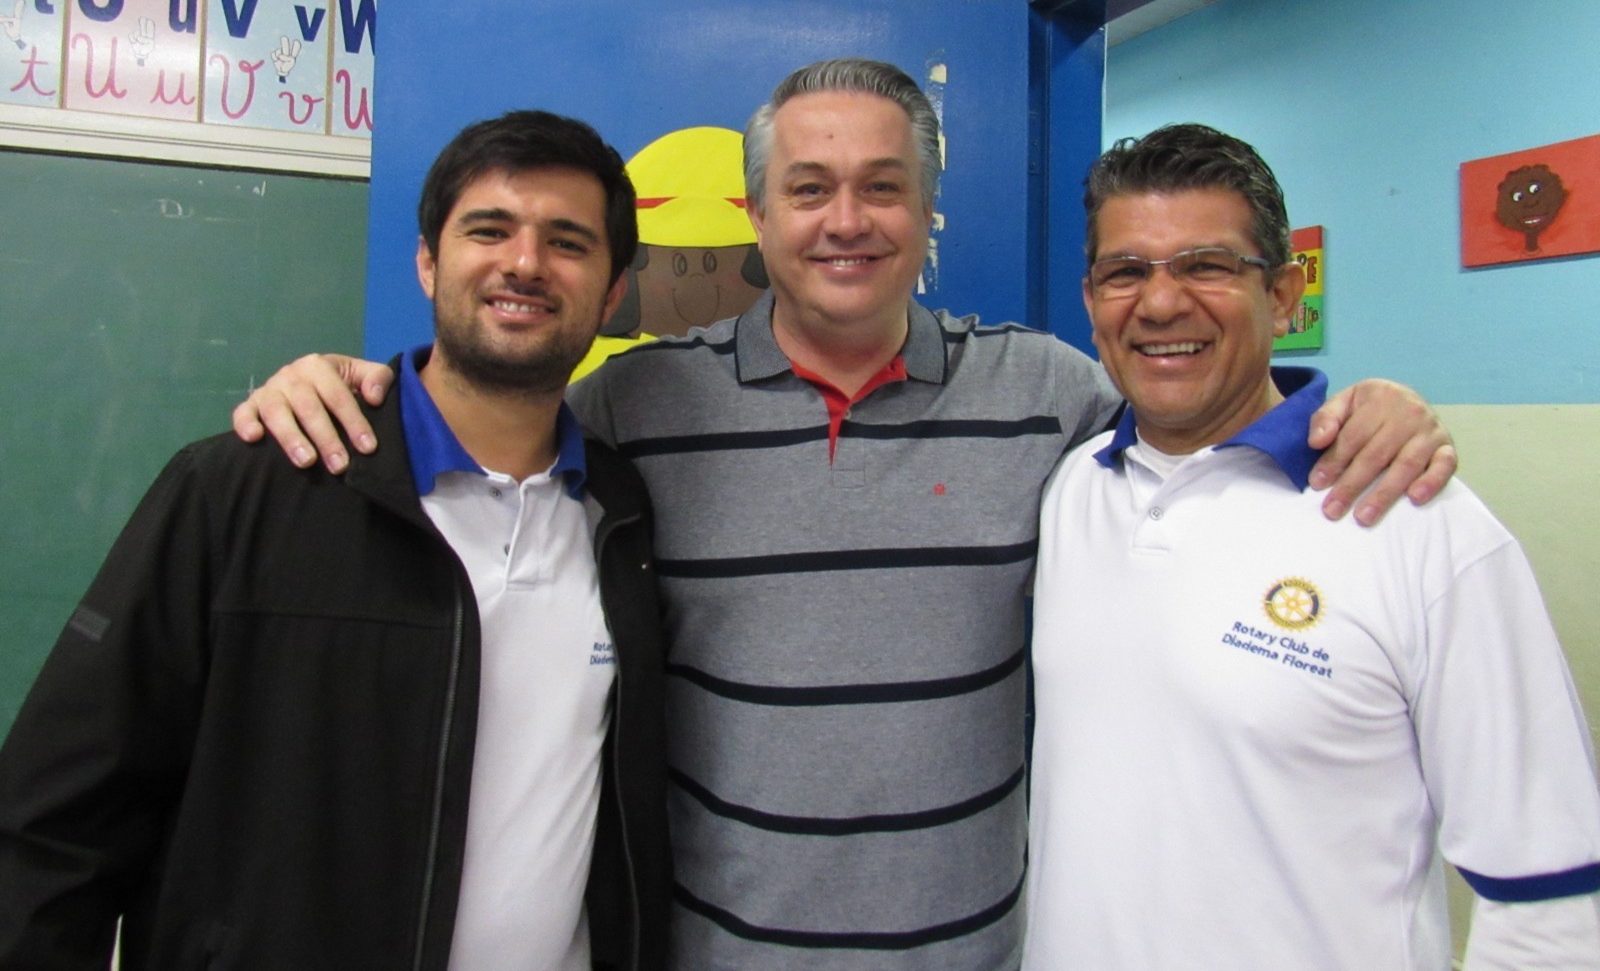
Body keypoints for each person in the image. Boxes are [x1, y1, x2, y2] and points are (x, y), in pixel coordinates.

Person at [232, 61, 1457, 971]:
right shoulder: (634, 406)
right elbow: (486, 420)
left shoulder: (1050, 395)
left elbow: (1201, 432)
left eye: (884, 187)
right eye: (808, 188)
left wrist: (1355, 406)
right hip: (715, 953)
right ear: (757, 216)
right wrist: (343, 387)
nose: (845, 220)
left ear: (928, 213)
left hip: (975, 954)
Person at [0, 111, 671, 971]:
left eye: (568, 242)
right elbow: (55, 825)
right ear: (427, 262)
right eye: (488, 230)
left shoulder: (623, 519)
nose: (525, 263)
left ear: (611, 294)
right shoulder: (246, 488)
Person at [1024, 123, 1600, 969]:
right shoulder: (1071, 489)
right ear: (1090, 299)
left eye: (1206, 266)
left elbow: (1549, 897)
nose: (1160, 303)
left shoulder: (1418, 522)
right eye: (1126, 272)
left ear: (1285, 294)